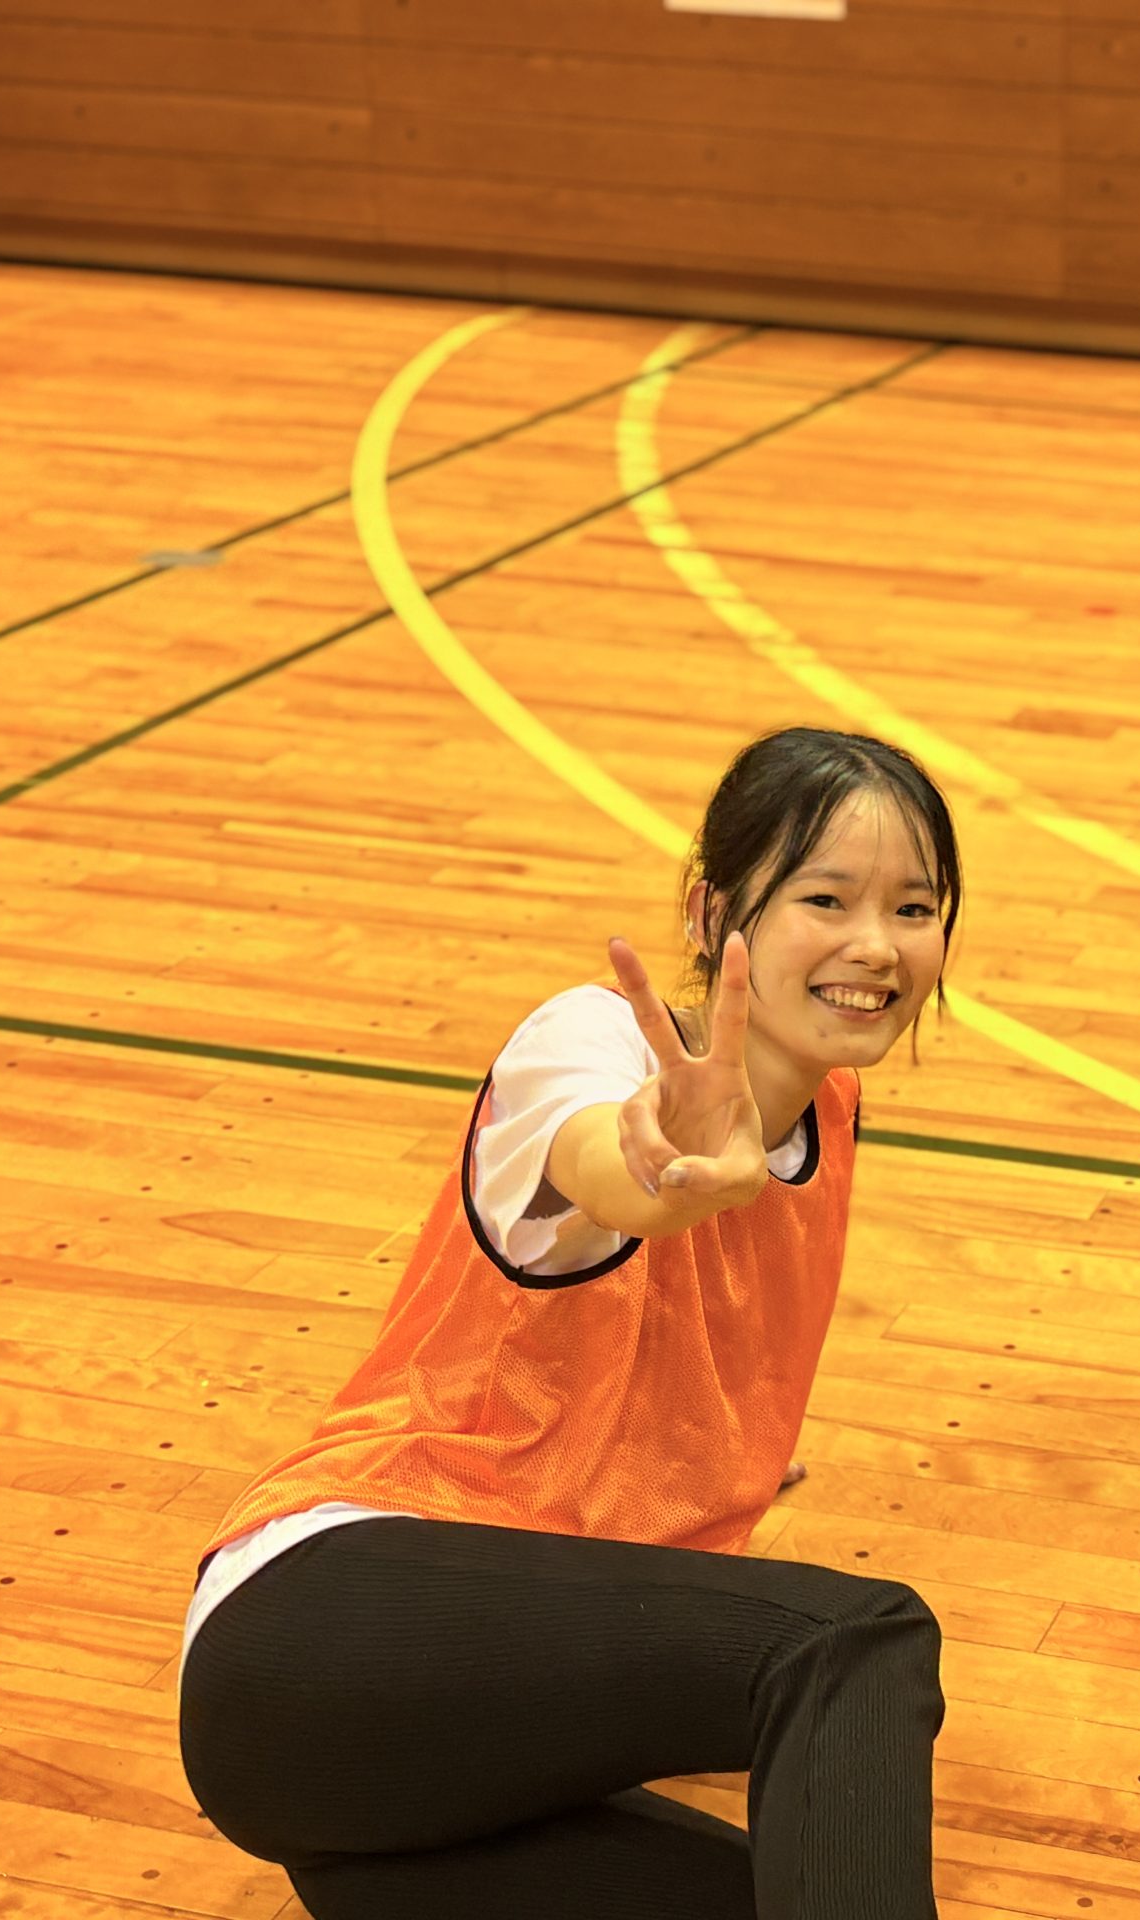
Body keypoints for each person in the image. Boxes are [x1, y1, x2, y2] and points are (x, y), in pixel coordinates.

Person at [178, 727, 961, 1919]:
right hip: (314, 1619)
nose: (877, 945)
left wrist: (712, 1452)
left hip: (385, 1782)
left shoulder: (830, 1112)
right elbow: (606, 1165)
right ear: (710, 913)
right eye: (826, 898)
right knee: (854, 1641)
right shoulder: (590, 1044)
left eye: (914, 907)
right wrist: (660, 1170)